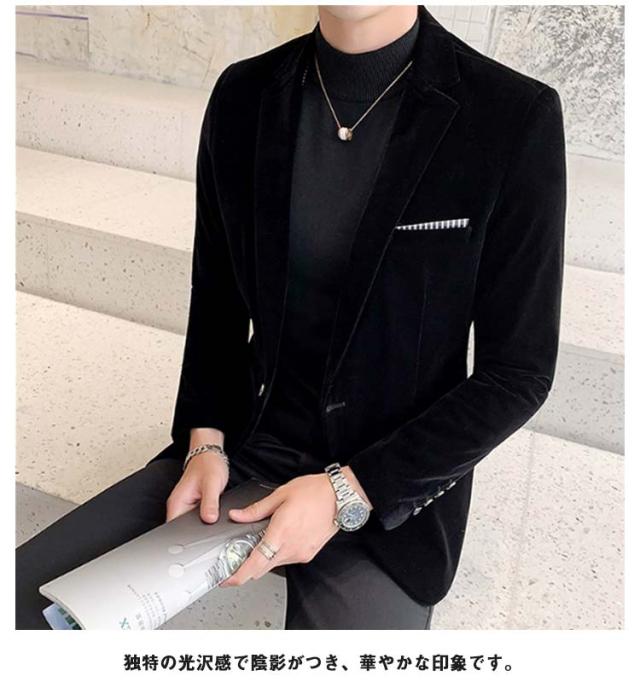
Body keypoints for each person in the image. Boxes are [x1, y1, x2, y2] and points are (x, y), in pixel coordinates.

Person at [15, 4, 566, 630]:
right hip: (246, 449)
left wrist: (348, 493)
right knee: (24, 613)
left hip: (389, 484)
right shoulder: (245, 94)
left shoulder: (511, 115)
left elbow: (518, 373)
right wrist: (205, 440)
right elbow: (217, 300)